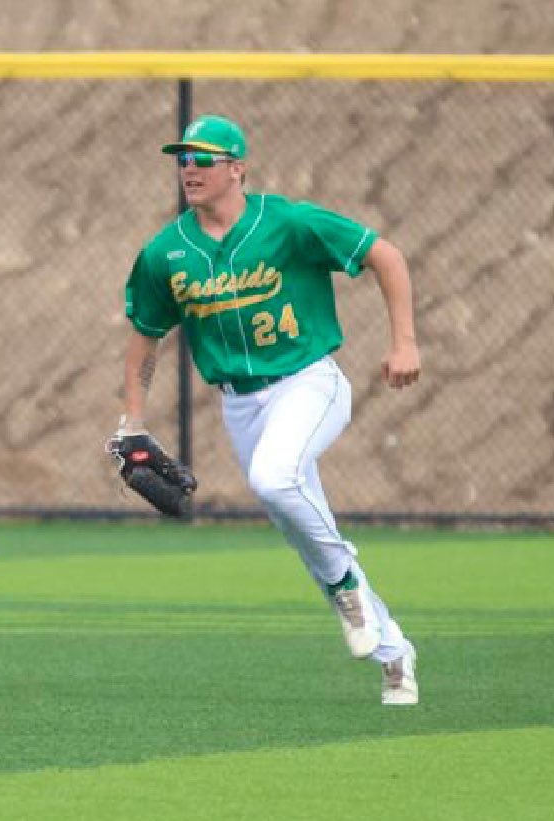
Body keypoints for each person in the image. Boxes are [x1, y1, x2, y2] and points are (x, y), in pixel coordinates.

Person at [117, 114, 421, 706]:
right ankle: (394, 655)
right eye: (182, 159)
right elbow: (143, 340)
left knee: (275, 480)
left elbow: (386, 256)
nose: (189, 169)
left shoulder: (287, 223)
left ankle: (346, 584)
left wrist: (404, 342)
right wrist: (131, 422)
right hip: (240, 405)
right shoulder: (166, 253)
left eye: (203, 159)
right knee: (305, 530)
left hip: (308, 382)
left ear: (237, 168)